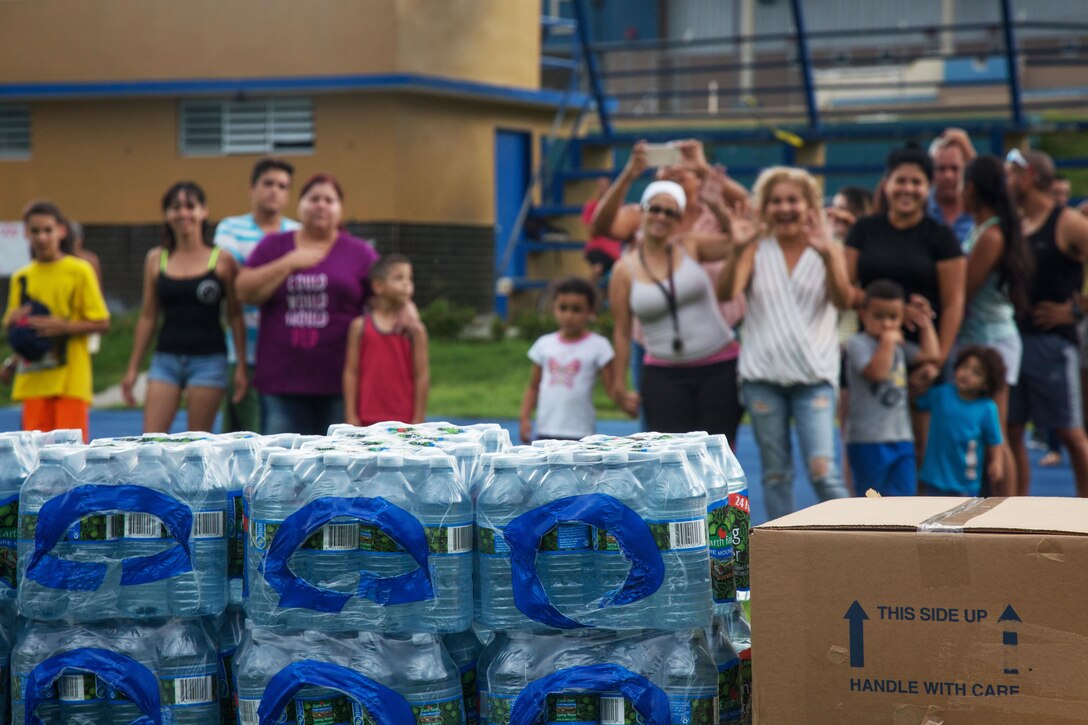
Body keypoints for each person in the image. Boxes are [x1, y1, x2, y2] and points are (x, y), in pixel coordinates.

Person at [718, 166, 854, 519]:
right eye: (776, 201)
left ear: (809, 204)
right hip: (763, 378)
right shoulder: (755, 247)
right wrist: (736, 249)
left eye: (793, 200)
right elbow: (727, 292)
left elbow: (843, 300)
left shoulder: (828, 245)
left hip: (815, 378)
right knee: (776, 475)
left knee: (824, 472)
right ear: (765, 207)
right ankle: (781, 557)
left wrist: (827, 255)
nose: (785, 208)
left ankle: (855, 540)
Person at [596, 140, 747, 442]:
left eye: (670, 212)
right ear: (644, 211)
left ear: (678, 218)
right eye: (655, 209)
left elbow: (740, 239)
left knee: (722, 460)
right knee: (670, 462)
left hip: (718, 363)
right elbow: (622, 332)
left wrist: (717, 202)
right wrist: (617, 386)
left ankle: (736, 495)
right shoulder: (625, 268)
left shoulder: (692, 241)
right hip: (662, 369)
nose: (662, 216)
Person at [846, 145, 966, 464]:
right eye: (901, 180)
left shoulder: (941, 237)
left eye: (916, 182)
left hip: (922, 355)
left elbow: (955, 301)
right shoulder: (864, 230)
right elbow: (845, 291)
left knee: (923, 452)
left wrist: (936, 363)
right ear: (886, 183)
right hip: (868, 356)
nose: (907, 189)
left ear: (928, 188)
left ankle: (922, 516)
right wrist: (895, 312)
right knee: (863, 446)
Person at [236, 173, 379, 435]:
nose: (321, 205)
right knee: (283, 466)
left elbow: (384, 296)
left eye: (329, 200)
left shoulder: (360, 253)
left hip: (340, 382)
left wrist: (407, 311)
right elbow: (243, 289)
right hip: (282, 381)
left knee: (336, 466)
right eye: (314, 199)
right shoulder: (274, 245)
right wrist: (289, 262)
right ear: (300, 206)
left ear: (340, 209)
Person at [121, 182, 246, 433]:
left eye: (191, 206)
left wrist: (241, 365)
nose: (183, 213)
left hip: (209, 361)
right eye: (175, 207)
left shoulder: (222, 260)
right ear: (167, 214)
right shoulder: (156, 259)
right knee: (152, 441)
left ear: (204, 212)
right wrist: (133, 369)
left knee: (197, 446)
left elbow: (235, 315)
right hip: (165, 359)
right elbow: (148, 316)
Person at [1005, 148, 1088, 496]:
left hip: (1053, 344)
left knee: (1069, 431)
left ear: (1028, 177)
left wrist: (1077, 312)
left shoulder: (1066, 222)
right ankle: (1015, 513)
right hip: (1015, 340)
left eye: (1010, 173)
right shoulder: (1017, 225)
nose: (1004, 182)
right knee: (1010, 430)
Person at [954, 154, 1033, 494]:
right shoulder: (983, 227)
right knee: (990, 430)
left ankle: (1009, 514)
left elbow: (964, 290)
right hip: (984, 337)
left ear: (970, 189)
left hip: (993, 342)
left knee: (996, 432)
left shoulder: (991, 235)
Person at [3, 201, 110, 441]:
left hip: (70, 381)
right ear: (26, 233)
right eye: (35, 231)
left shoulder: (79, 270)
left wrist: (63, 327)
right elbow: (17, 326)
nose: (42, 237)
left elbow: (102, 321)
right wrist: (13, 326)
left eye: (47, 230)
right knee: (35, 459)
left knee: (70, 458)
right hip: (33, 381)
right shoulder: (22, 277)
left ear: (61, 231)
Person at [214, 157, 301, 433]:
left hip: (289, 353)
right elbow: (237, 281)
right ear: (251, 188)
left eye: (282, 186)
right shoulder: (229, 227)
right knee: (243, 440)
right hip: (244, 353)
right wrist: (284, 270)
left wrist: (257, 278)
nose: (275, 190)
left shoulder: (298, 232)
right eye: (268, 183)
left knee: (287, 438)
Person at [844, 280, 939, 497]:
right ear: (863, 314)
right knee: (870, 501)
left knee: (904, 499)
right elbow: (876, 373)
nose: (887, 324)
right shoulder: (857, 343)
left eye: (893, 318)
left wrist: (925, 323)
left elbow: (931, 354)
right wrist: (888, 341)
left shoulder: (897, 346)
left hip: (901, 437)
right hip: (868, 439)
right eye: (879, 317)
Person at [519, 276, 615, 443]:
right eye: (563, 308)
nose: (568, 315)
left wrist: (628, 402)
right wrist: (524, 418)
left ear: (591, 311)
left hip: (580, 431)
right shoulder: (544, 344)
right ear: (553, 308)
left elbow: (613, 389)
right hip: (546, 429)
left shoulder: (599, 346)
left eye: (576, 309)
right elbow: (533, 386)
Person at [343, 254, 429, 426]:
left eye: (409, 278)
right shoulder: (359, 327)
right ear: (378, 286)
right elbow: (352, 372)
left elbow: (422, 375)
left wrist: (418, 418)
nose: (407, 283)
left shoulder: (415, 330)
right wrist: (351, 415)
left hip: (403, 421)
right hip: (366, 418)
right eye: (399, 278)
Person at [916, 346, 1005, 496]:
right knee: (930, 515)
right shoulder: (942, 394)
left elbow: (995, 439)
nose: (967, 374)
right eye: (964, 367)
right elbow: (917, 400)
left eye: (976, 373)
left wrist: (997, 462)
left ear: (987, 384)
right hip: (934, 476)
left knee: (963, 517)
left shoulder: (987, 408)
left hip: (966, 480)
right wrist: (924, 378)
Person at [928, 128, 977, 243]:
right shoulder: (922, 208)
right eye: (941, 169)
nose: (948, 176)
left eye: (955, 169)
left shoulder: (979, 210)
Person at [581, 177, 624, 288]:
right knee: (598, 269)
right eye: (600, 187)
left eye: (605, 187)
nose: (603, 190)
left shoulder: (618, 207)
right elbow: (591, 231)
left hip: (614, 251)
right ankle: (586, 291)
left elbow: (620, 229)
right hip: (597, 248)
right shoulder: (591, 206)